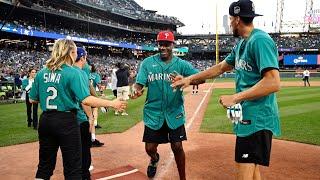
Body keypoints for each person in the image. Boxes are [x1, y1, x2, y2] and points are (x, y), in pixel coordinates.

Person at [172, 1, 281, 179]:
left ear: (237, 19)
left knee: (243, 170)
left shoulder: (260, 40)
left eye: (230, 19)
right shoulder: (241, 45)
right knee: (252, 171)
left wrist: (236, 97)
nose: (230, 23)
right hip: (247, 117)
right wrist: (189, 79)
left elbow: (273, 82)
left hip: (258, 118)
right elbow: (220, 68)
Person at [29, 39, 127, 180]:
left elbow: (33, 99)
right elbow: (86, 99)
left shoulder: (41, 73)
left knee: (44, 166)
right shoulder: (72, 72)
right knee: (73, 168)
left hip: (46, 120)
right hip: (66, 120)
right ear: (71, 52)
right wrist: (112, 103)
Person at [130, 30, 203, 179]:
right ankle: (154, 158)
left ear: (172, 45)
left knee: (177, 146)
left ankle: (183, 177)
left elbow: (201, 78)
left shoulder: (181, 64)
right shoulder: (147, 63)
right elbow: (139, 84)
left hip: (174, 112)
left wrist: (187, 79)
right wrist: (136, 90)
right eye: (160, 44)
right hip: (153, 113)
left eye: (166, 44)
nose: (163, 47)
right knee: (150, 148)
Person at [74, 47, 94, 180]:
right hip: (80, 118)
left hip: (64, 119)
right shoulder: (79, 73)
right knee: (84, 151)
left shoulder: (65, 70)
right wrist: (91, 117)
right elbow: (84, 100)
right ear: (83, 57)